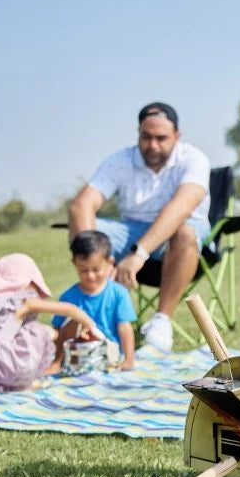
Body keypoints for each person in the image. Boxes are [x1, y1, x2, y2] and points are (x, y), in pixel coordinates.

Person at [67, 102, 210, 354]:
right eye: (146, 137)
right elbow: (82, 205)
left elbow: (181, 209)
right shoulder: (120, 161)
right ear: (138, 134)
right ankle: (96, 312)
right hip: (131, 230)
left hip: (180, 233)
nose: (152, 145)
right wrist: (96, 256)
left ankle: (161, 322)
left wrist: (139, 254)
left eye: (161, 138)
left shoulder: (194, 159)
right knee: (89, 225)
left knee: (185, 231)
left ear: (177, 136)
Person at [0, 253, 103, 391]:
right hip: (3, 371)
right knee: (38, 330)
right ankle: (22, 381)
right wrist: (91, 326)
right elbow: (70, 309)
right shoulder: (23, 302)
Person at [51, 230, 136, 371]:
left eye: (96, 270)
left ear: (110, 262)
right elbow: (59, 331)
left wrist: (128, 360)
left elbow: (125, 328)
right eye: (84, 270)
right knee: (71, 320)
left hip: (108, 353)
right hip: (76, 355)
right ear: (74, 263)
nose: (90, 276)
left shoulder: (118, 294)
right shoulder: (68, 297)